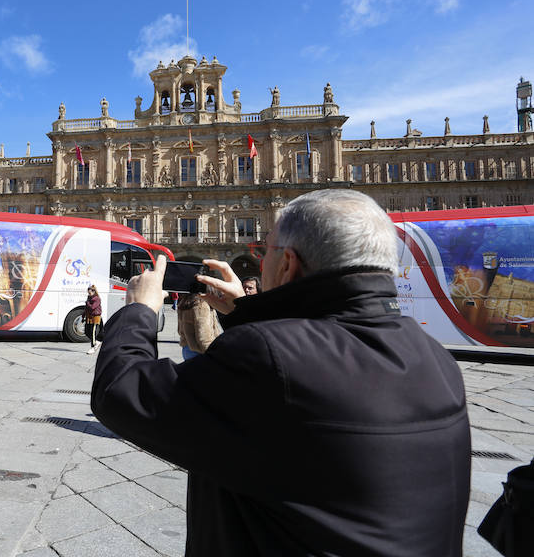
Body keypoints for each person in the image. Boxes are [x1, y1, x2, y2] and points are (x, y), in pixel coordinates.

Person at [91, 189, 470, 556]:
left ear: (288, 263)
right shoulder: (436, 359)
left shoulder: (266, 358)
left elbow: (121, 392)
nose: (259, 260)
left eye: (264, 250)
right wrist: (245, 313)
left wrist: (139, 309)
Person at [176, 293, 221, 360]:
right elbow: (203, 336)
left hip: (187, 348)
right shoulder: (202, 304)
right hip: (200, 350)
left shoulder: (185, 301)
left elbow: (180, 330)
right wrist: (213, 352)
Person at [84, 284, 102, 354]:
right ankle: (96, 341)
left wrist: (87, 303)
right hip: (89, 316)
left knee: (93, 332)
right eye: (88, 292)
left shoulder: (97, 298)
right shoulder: (89, 298)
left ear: (94, 291)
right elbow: (87, 308)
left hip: (95, 316)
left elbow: (92, 307)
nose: (89, 293)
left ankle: (93, 346)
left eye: (90, 292)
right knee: (86, 331)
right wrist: (83, 315)